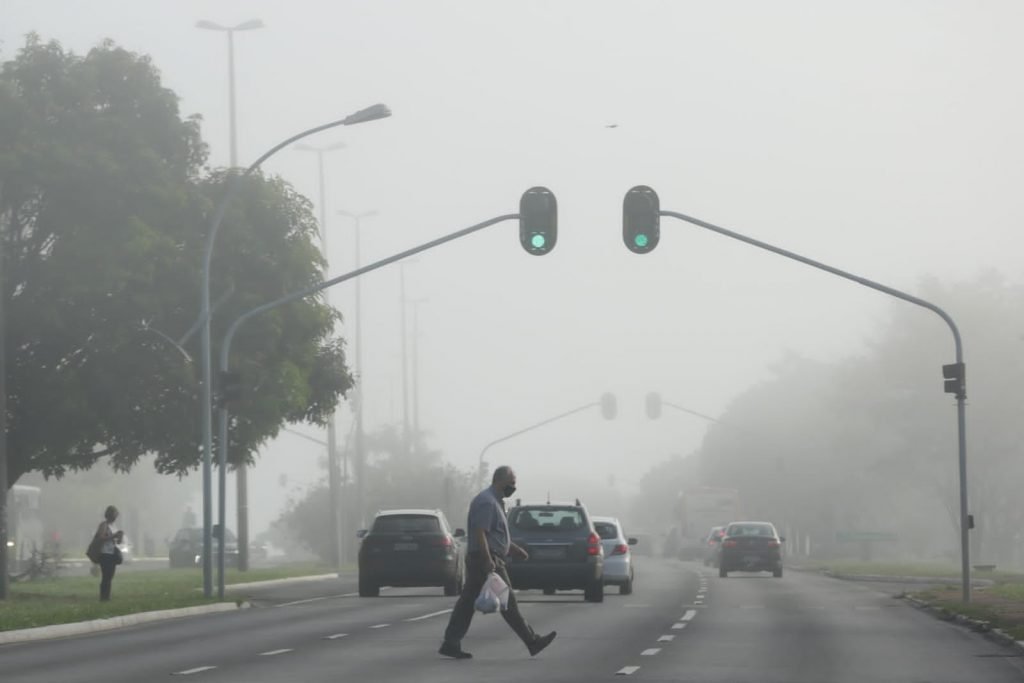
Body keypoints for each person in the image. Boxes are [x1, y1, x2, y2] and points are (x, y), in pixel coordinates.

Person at [439, 466, 556, 660]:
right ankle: (532, 641)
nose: (514, 486)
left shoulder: (496, 502)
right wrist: (487, 559)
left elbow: (495, 534)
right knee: (507, 601)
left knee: (467, 603)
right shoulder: (486, 501)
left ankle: (450, 642)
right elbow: (480, 533)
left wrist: (514, 549)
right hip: (486, 559)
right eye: (512, 482)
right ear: (500, 480)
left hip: (487, 557)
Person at [95, 505, 124, 601]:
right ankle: (103, 597)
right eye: (115, 515)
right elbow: (101, 538)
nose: (116, 517)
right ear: (110, 515)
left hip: (112, 553)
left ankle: (107, 596)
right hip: (105, 554)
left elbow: (116, 541)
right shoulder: (104, 525)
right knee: (106, 576)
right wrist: (113, 536)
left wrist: (119, 537)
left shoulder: (114, 526)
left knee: (110, 576)